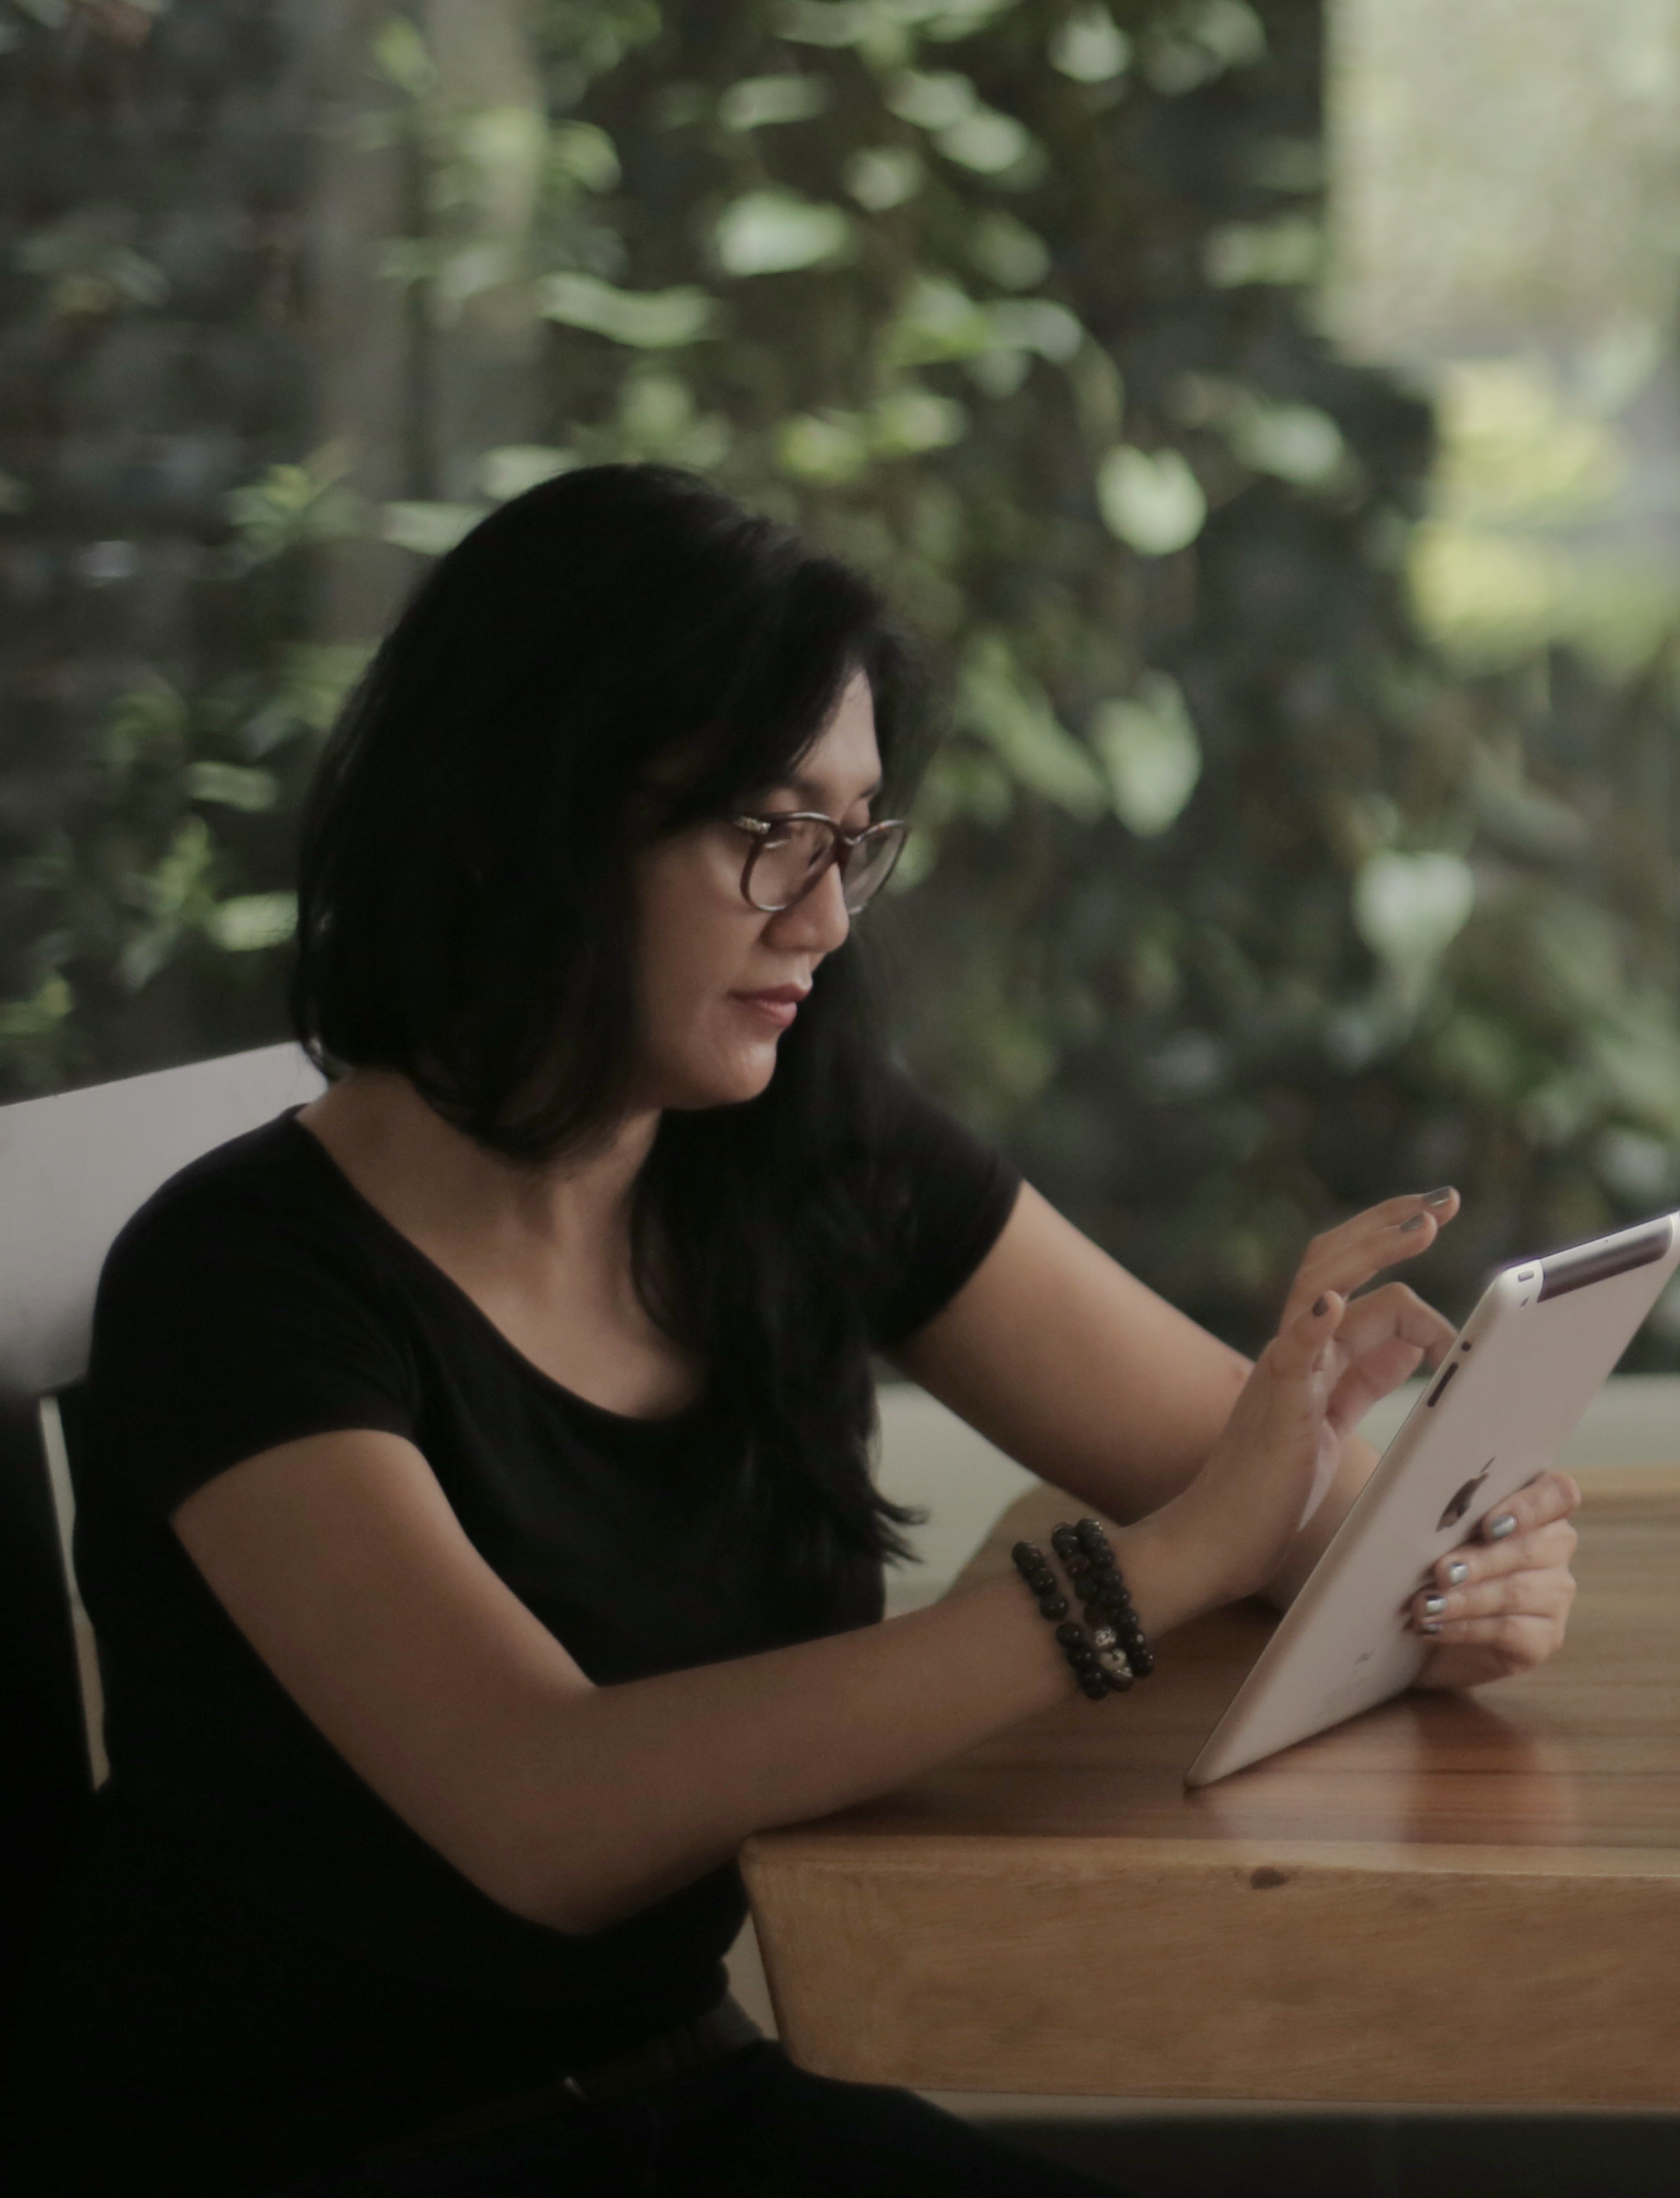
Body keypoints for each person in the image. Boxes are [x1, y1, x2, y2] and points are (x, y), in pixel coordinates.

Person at [2, 464, 1582, 2192]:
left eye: (854, 839)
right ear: (517, 820)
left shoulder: (800, 1156)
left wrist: (1454, 1570)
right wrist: (1165, 1570)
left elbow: (1264, 1490)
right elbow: (545, 1811)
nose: (825, 919)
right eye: (766, 831)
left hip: (673, 2096)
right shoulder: (240, 1284)